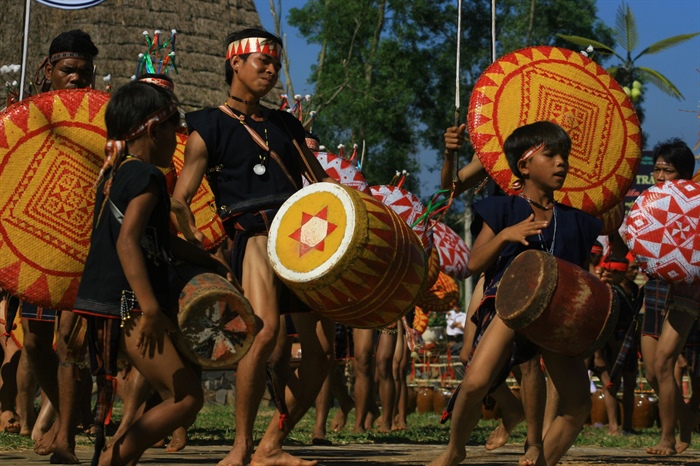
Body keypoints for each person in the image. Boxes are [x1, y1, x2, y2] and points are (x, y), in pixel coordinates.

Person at [172, 28, 337, 466]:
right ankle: (241, 444)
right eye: (262, 61)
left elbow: (322, 186)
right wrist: (202, 253)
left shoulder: (285, 124)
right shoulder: (206, 125)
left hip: (303, 237)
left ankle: (271, 444)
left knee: (322, 355)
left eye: (275, 64)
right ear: (235, 63)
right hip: (255, 234)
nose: (270, 69)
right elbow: (180, 201)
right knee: (263, 333)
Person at [428, 121, 601, 466]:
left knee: (578, 403)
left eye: (563, 155)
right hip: (509, 305)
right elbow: (474, 262)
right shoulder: (503, 210)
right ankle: (454, 450)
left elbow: (583, 275)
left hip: (556, 314)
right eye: (550, 155)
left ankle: (539, 455)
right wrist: (505, 235)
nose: (561, 163)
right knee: (475, 381)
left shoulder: (576, 221)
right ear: (523, 166)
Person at [73, 78, 217, 466]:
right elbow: (127, 243)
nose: (180, 136)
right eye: (175, 126)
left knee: (169, 391)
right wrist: (151, 310)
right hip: (128, 304)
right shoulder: (148, 177)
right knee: (185, 397)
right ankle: (113, 459)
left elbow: (161, 242)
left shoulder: (120, 172)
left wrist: (210, 262)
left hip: (115, 302)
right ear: (154, 129)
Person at [16, 29, 99, 463]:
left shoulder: (100, 120)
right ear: (49, 69)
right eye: (69, 70)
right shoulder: (21, 118)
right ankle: (67, 414)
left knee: (69, 343)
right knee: (33, 343)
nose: (77, 80)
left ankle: (66, 434)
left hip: (82, 250)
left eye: (84, 74)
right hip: (36, 248)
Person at [636, 138, 699, 456]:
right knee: (652, 371)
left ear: (685, 176)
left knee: (665, 362)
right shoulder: (646, 205)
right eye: (657, 169)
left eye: (668, 171)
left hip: (688, 290)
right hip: (655, 287)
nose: (660, 177)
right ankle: (687, 421)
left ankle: (667, 438)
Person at [592, 257, 641, 435]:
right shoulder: (607, 290)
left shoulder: (635, 289)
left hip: (628, 341)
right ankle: (613, 426)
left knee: (629, 383)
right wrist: (598, 353)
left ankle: (627, 425)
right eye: (632, 269)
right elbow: (599, 322)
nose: (635, 272)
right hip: (609, 342)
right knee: (611, 384)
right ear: (618, 272)